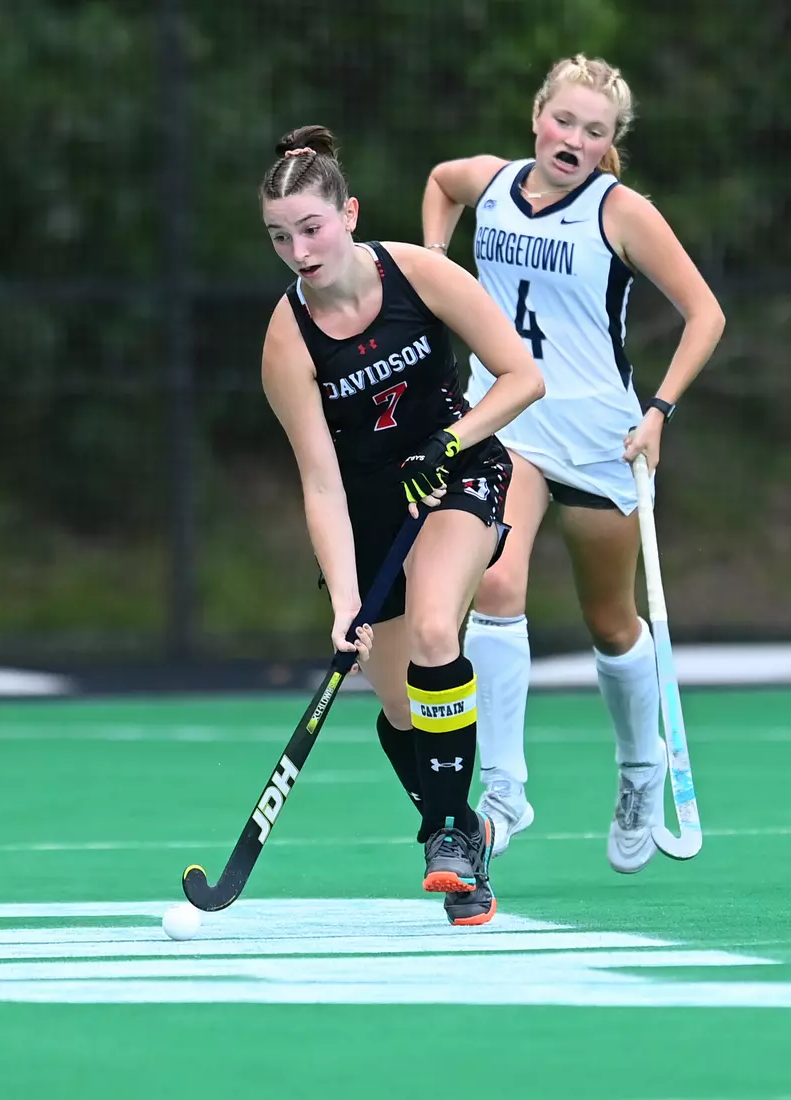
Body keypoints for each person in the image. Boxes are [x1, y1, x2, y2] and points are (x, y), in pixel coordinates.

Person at [420, 54, 725, 871]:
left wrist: (659, 411)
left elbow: (704, 314)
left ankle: (638, 769)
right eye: (563, 121)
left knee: (611, 622)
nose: (573, 139)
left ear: (607, 143)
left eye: (594, 131)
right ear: (536, 117)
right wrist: (434, 268)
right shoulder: (490, 183)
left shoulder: (620, 213)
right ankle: (504, 791)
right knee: (495, 580)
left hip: (598, 437)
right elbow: (441, 182)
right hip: (508, 418)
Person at [259, 125, 545, 925]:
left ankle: (447, 839)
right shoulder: (288, 338)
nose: (299, 249)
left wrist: (448, 441)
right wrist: (343, 601)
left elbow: (523, 378)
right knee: (399, 710)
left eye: (311, 227)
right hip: (368, 506)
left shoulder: (419, 274)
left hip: (459, 469)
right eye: (280, 236)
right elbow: (319, 482)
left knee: (431, 633)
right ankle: (458, 835)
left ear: (348, 214)